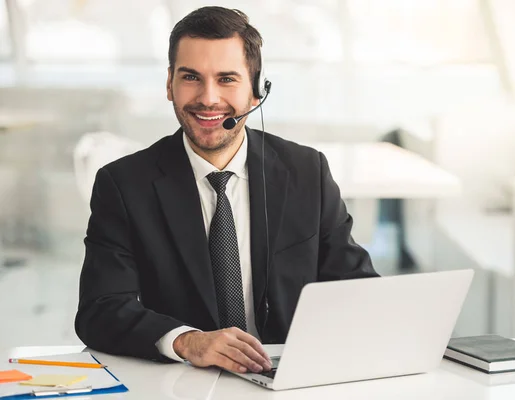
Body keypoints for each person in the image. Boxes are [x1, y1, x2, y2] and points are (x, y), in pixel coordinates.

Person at [75, 6, 378, 376]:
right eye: (191, 77)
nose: (208, 98)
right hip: (183, 382)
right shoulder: (123, 184)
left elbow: (356, 287)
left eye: (227, 79)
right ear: (169, 84)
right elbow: (100, 309)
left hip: (292, 379)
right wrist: (188, 341)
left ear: (257, 90)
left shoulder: (306, 172)